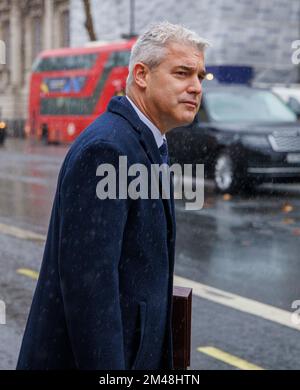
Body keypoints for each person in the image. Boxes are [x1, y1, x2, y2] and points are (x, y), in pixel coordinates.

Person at [17, 21, 208, 370]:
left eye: (199, 76)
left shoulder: (145, 141)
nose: (196, 87)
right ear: (141, 75)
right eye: (183, 73)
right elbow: (90, 288)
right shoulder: (108, 149)